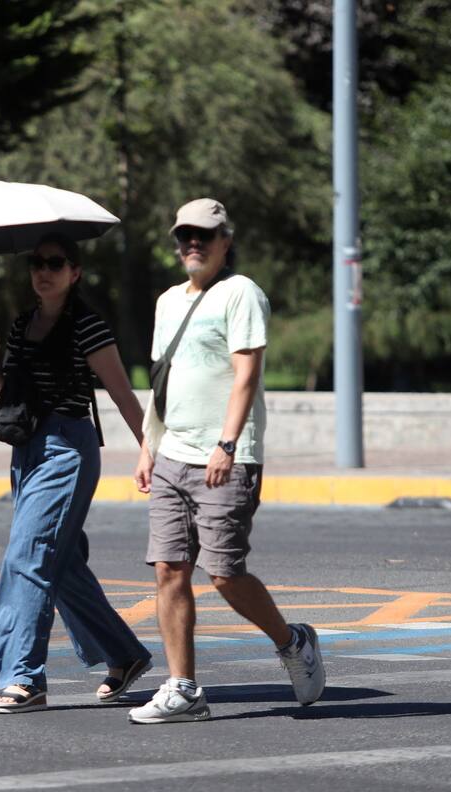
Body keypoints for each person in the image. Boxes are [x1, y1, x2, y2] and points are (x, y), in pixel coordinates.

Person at [128, 198, 325, 724]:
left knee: (224, 574)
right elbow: (161, 381)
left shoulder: (241, 293)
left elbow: (246, 374)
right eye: (186, 235)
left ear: (225, 242)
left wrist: (229, 443)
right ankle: (184, 689)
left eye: (205, 236)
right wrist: (149, 444)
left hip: (225, 457)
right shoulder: (168, 300)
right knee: (169, 569)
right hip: (172, 452)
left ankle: (292, 641)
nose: (194, 243)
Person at [0, 231, 155, 714]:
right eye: (36, 263)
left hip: (67, 451)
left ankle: (25, 677)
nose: (43, 271)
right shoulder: (20, 324)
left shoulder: (87, 327)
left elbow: (123, 394)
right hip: (27, 449)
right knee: (61, 565)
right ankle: (123, 654)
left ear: (74, 273)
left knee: (27, 557)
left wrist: (149, 450)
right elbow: (10, 394)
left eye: (55, 263)